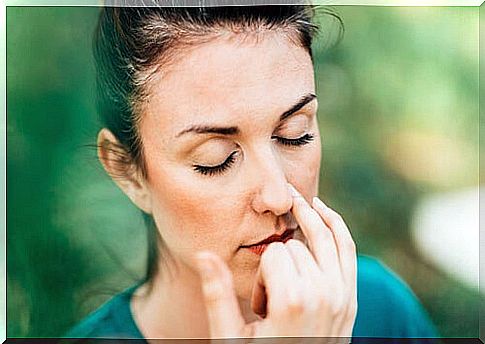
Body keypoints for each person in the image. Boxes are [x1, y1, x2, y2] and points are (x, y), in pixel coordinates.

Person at [66, 4, 438, 342]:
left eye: (296, 134)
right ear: (128, 171)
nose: (277, 196)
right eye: (217, 159)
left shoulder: (380, 311)